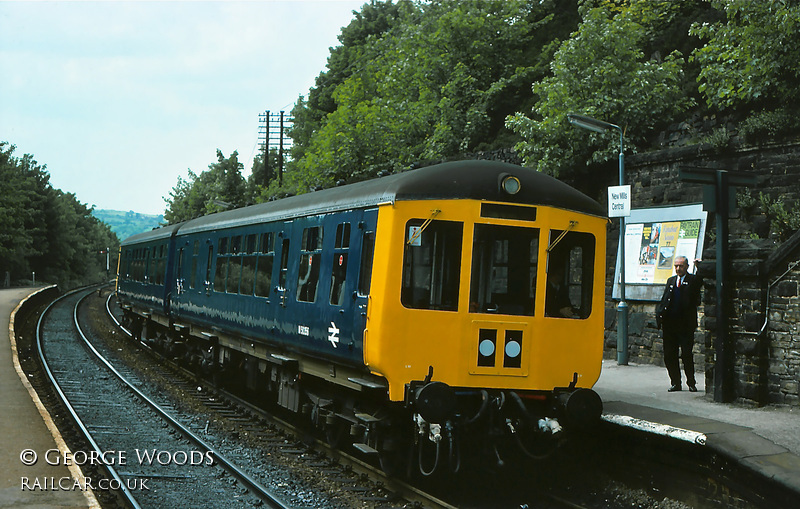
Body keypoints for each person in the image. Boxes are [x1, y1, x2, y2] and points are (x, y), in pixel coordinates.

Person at [656, 256, 702, 392]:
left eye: (681, 266)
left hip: (685, 326)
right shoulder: (671, 281)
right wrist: (659, 315)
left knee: (687, 354)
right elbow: (665, 300)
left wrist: (699, 267)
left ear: (687, 267)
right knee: (670, 355)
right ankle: (675, 382)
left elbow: (700, 281)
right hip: (670, 325)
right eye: (676, 266)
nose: (678, 268)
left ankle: (691, 383)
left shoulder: (692, 280)